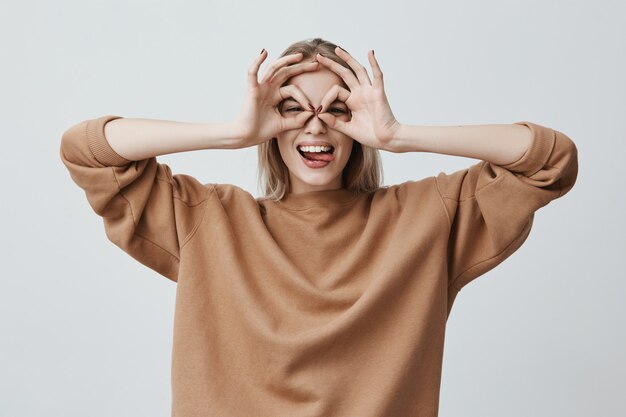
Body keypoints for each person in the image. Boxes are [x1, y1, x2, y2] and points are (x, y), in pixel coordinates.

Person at [59, 37, 578, 417]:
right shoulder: (208, 219)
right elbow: (87, 150)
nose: (314, 124)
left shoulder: (427, 218)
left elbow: (550, 160)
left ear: (358, 125)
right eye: (292, 108)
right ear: (271, 123)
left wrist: (397, 135)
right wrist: (233, 131)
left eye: (337, 109)